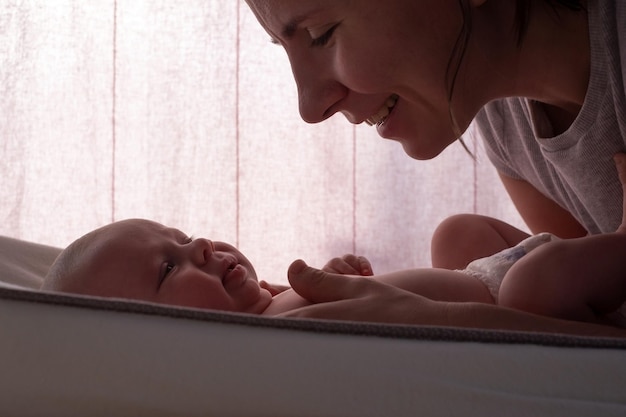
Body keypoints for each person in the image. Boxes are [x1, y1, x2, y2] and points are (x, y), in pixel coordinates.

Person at [243, 0, 626, 323]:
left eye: (321, 34)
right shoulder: (506, 122)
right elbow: (596, 308)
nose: (309, 108)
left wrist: (443, 323)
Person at [41, 154, 626, 331]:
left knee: (455, 233)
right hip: (522, 300)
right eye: (168, 268)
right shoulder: (267, 344)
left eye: (186, 237)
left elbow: (357, 300)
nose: (200, 248)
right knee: (536, 279)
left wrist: (345, 273)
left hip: (490, 275)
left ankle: (595, 262)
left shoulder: (276, 303)